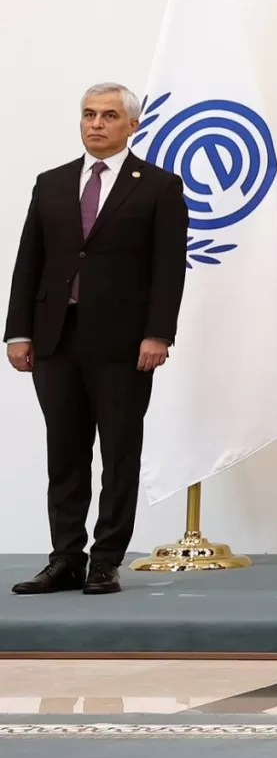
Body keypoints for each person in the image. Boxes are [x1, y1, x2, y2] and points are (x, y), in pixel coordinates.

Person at [6, 83, 186, 597]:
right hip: (55, 339)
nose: (96, 124)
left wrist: (158, 333)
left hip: (124, 342)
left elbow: (168, 268)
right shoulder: (51, 183)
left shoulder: (158, 186)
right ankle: (65, 558)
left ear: (132, 125)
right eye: (89, 114)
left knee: (119, 453)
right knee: (64, 453)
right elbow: (29, 262)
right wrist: (18, 331)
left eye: (108, 115)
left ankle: (105, 560)